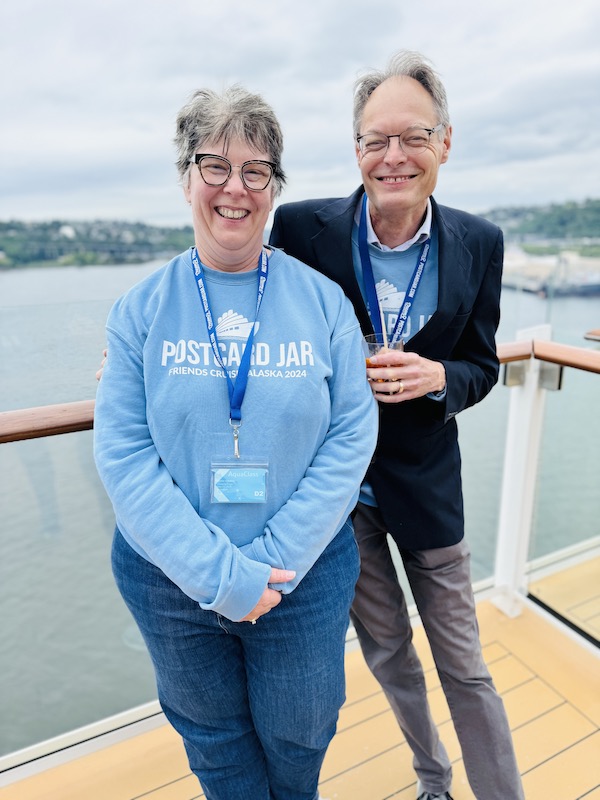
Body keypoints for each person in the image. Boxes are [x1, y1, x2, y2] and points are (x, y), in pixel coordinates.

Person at [93, 85, 378, 800]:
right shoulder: (140, 311)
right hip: (168, 580)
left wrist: (269, 567)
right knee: (216, 747)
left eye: (257, 171)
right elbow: (124, 454)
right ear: (186, 176)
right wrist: (222, 578)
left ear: (275, 187)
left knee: (301, 736)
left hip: (299, 577)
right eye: (215, 164)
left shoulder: (320, 301)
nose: (235, 188)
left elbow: (352, 431)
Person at [269, 51, 525, 800]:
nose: (394, 156)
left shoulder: (480, 242)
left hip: (428, 491)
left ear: (445, 142)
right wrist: (143, 353)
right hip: (338, 498)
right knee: (388, 654)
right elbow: (242, 308)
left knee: (465, 668)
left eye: (412, 136)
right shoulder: (302, 229)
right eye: (375, 140)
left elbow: (482, 363)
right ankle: (432, 780)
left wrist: (440, 377)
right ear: (356, 150)